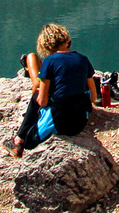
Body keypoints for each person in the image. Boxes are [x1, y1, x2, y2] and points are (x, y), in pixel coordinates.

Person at [11, 23, 100, 155]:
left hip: (61, 123)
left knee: (30, 140)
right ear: (66, 39)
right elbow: (93, 98)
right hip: (80, 123)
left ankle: (18, 141)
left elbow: (42, 101)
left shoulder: (50, 61)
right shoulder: (83, 59)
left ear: (45, 44)